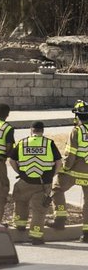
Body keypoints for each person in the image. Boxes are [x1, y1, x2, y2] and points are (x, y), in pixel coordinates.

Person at [9, 121, 61, 245]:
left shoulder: (22, 143)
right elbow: (59, 162)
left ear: (31, 130)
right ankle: (36, 236)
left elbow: (11, 160)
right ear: (42, 131)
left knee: (21, 201)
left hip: (25, 181)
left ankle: (20, 224)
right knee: (39, 210)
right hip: (42, 184)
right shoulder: (49, 143)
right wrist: (52, 175)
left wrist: (20, 172)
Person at [50, 100, 88, 241]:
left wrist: (64, 168)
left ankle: (59, 219)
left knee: (56, 189)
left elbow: (70, 154)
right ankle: (87, 234)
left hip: (74, 171)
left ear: (77, 116)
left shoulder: (77, 131)